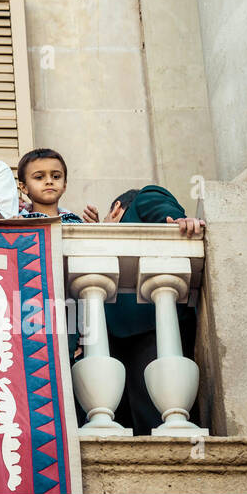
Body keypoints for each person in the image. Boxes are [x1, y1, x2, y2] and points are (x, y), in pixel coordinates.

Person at [86, 184, 205, 435]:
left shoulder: (143, 197)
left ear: (117, 208)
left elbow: (165, 214)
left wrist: (180, 221)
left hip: (151, 327)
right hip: (118, 338)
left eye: (107, 218)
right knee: (125, 414)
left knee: (158, 409)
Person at [13, 148, 97, 223]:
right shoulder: (17, 221)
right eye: (39, 177)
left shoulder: (75, 222)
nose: (49, 181)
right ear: (24, 187)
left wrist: (95, 231)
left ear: (64, 185)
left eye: (56, 177)